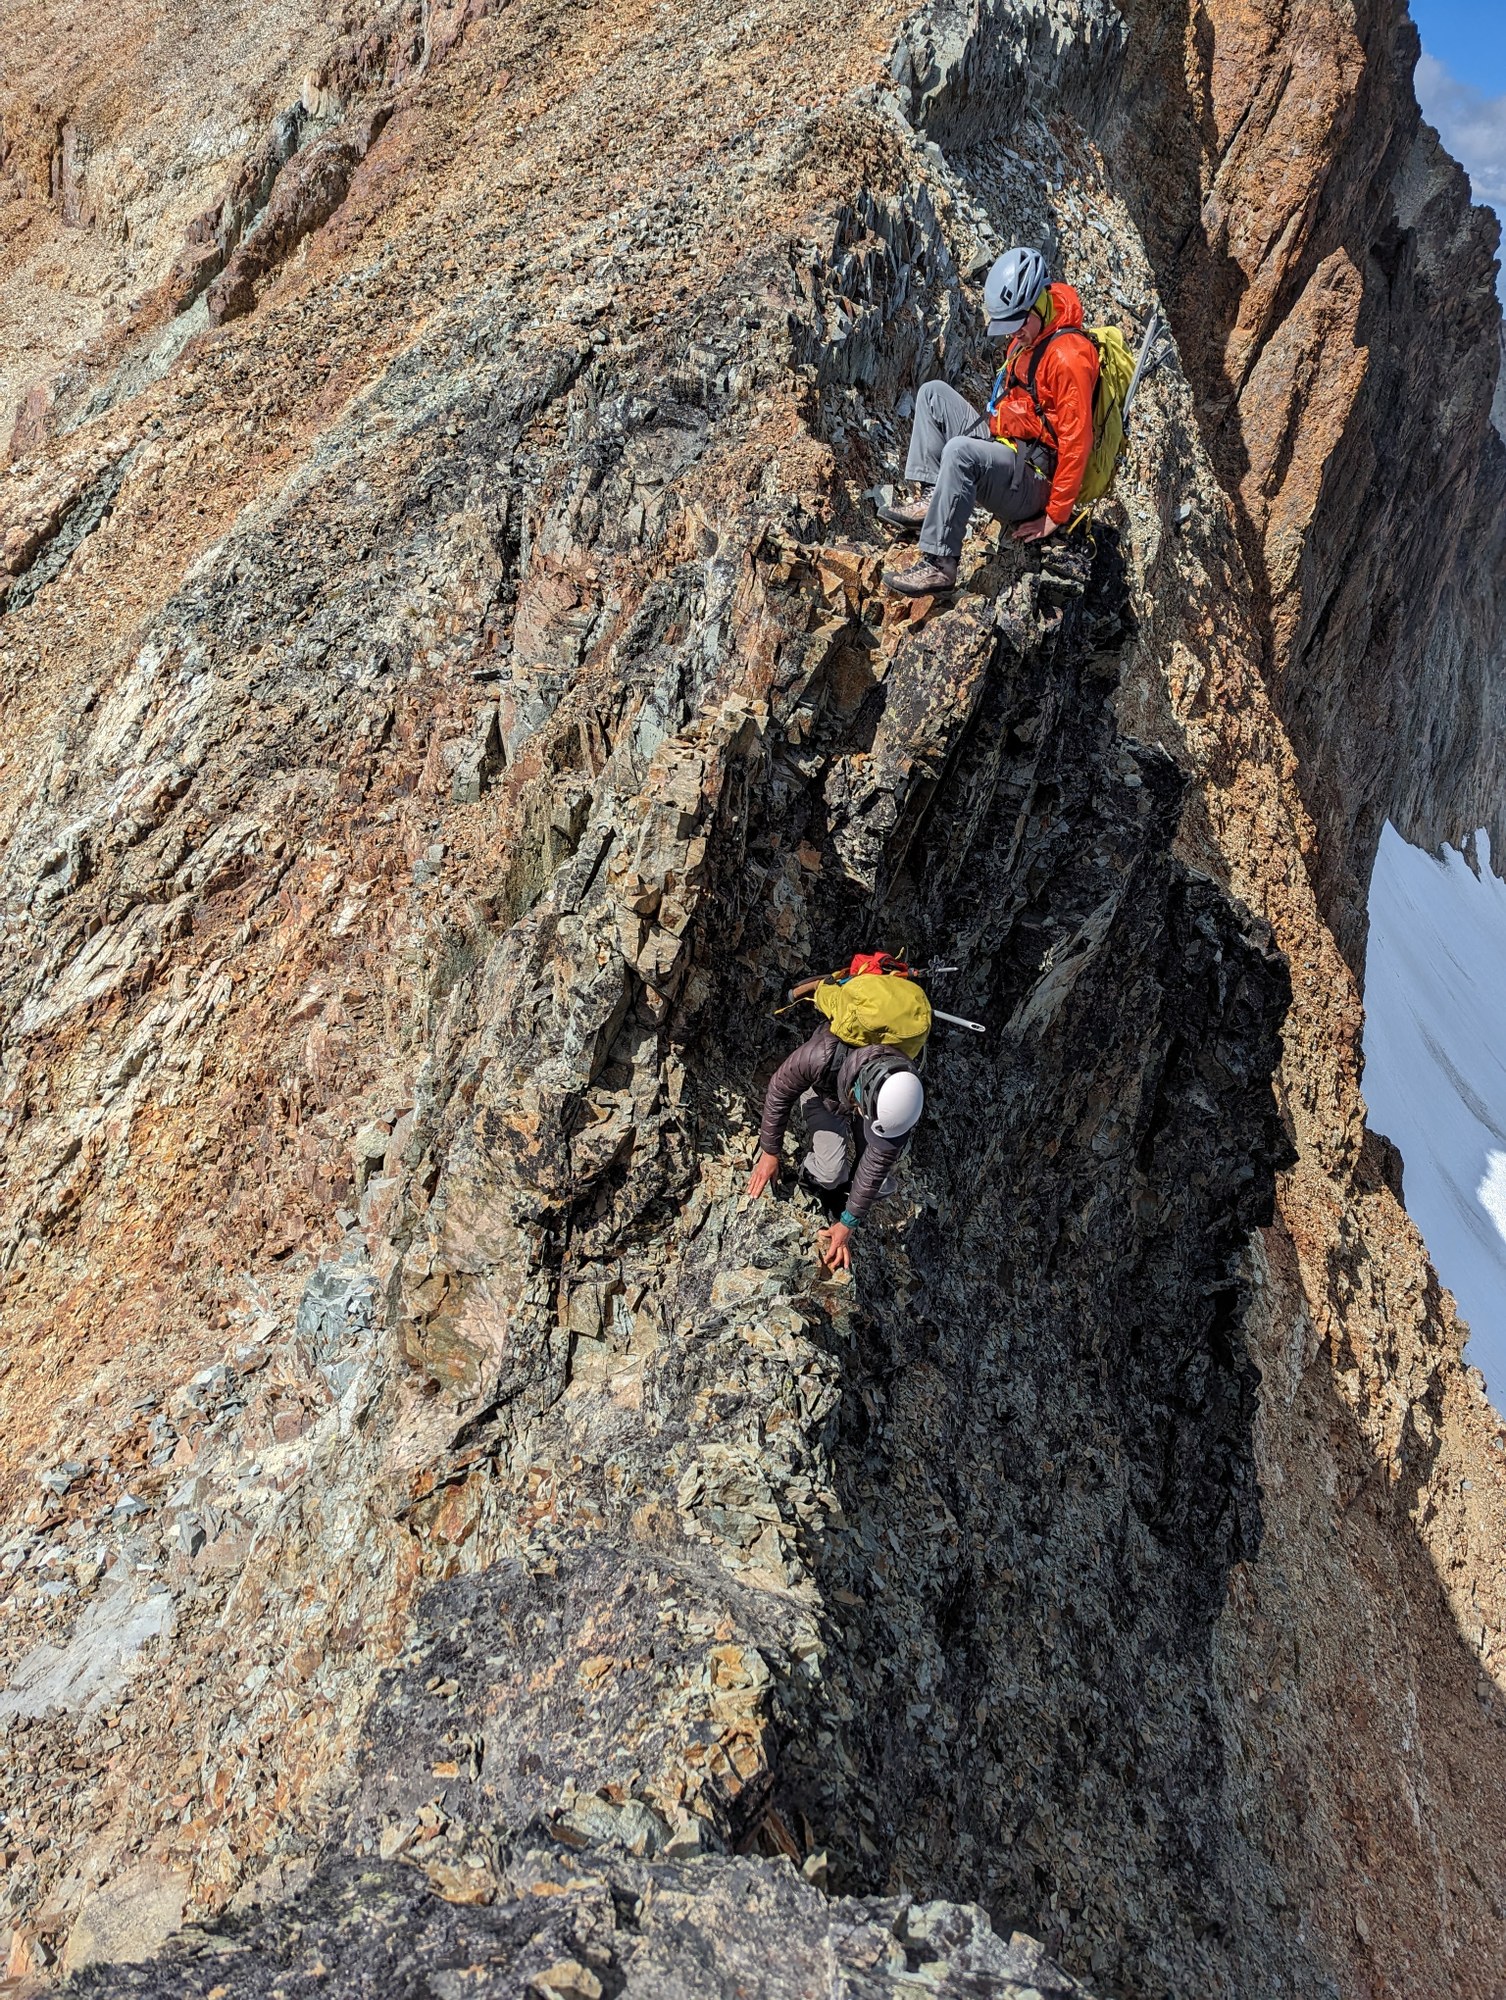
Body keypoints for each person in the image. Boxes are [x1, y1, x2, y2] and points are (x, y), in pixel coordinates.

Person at [881, 246, 1100, 597]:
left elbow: (1078, 441)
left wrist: (1055, 515)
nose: (1012, 334)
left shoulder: (1069, 357)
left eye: (1016, 324)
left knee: (960, 453)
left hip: (1034, 477)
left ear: (1037, 305)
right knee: (933, 394)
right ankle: (931, 498)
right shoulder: (1031, 335)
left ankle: (940, 563)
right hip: (1009, 445)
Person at [746, 1032, 924, 1272]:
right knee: (830, 1173)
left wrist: (847, 1221)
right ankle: (816, 1184)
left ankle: (842, 1197)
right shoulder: (821, 1056)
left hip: (865, 1100)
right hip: (823, 1094)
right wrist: (770, 1152)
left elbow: (877, 1163)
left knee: (879, 1184)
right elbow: (780, 1089)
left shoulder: (901, 1098)